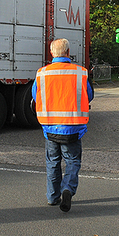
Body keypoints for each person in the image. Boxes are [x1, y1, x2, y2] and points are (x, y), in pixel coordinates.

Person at [32, 39, 94, 212]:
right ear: (68, 53)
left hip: (50, 127)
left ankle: (52, 197)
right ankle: (68, 189)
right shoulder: (80, 73)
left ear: (52, 54)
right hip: (73, 127)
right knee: (72, 161)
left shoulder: (42, 74)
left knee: (52, 162)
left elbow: (36, 97)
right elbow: (88, 95)